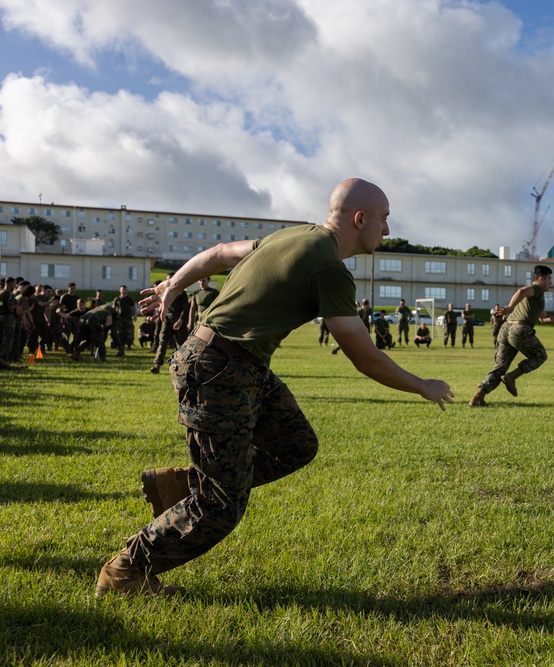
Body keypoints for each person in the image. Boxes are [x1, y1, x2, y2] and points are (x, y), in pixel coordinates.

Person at [94, 178, 454, 598]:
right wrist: (421, 385)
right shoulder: (329, 269)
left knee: (296, 444)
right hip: (219, 369)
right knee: (221, 506)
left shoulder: (294, 235)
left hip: (240, 365)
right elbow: (364, 356)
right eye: (384, 220)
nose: (387, 231)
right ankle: (125, 572)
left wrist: (175, 283)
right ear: (360, 219)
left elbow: (216, 254)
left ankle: (181, 485)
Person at [468, 265, 554, 406]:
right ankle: (511, 377)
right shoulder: (537, 288)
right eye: (549, 279)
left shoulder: (537, 298)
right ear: (541, 278)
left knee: (500, 366)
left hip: (506, 328)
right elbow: (522, 291)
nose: (551, 282)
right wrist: (510, 308)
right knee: (540, 356)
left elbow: (543, 318)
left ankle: (477, 397)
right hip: (519, 329)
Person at [149, 272, 190, 374]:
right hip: (167, 319)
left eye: (172, 278)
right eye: (168, 279)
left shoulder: (181, 293)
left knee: (180, 344)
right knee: (162, 342)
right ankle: (157, 365)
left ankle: (182, 366)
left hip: (178, 320)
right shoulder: (164, 293)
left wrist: (181, 320)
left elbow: (185, 309)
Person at [112, 286, 136, 356]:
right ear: (120, 290)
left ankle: (129, 345)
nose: (124, 291)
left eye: (125, 290)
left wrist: (134, 315)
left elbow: (133, 308)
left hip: (128, 317)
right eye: (122, 290)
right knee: (120, 332)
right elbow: (114, 307)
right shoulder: (117, 299)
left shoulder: (129, 299)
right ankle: (120, 346)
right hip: (120, 318)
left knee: (129, 332)